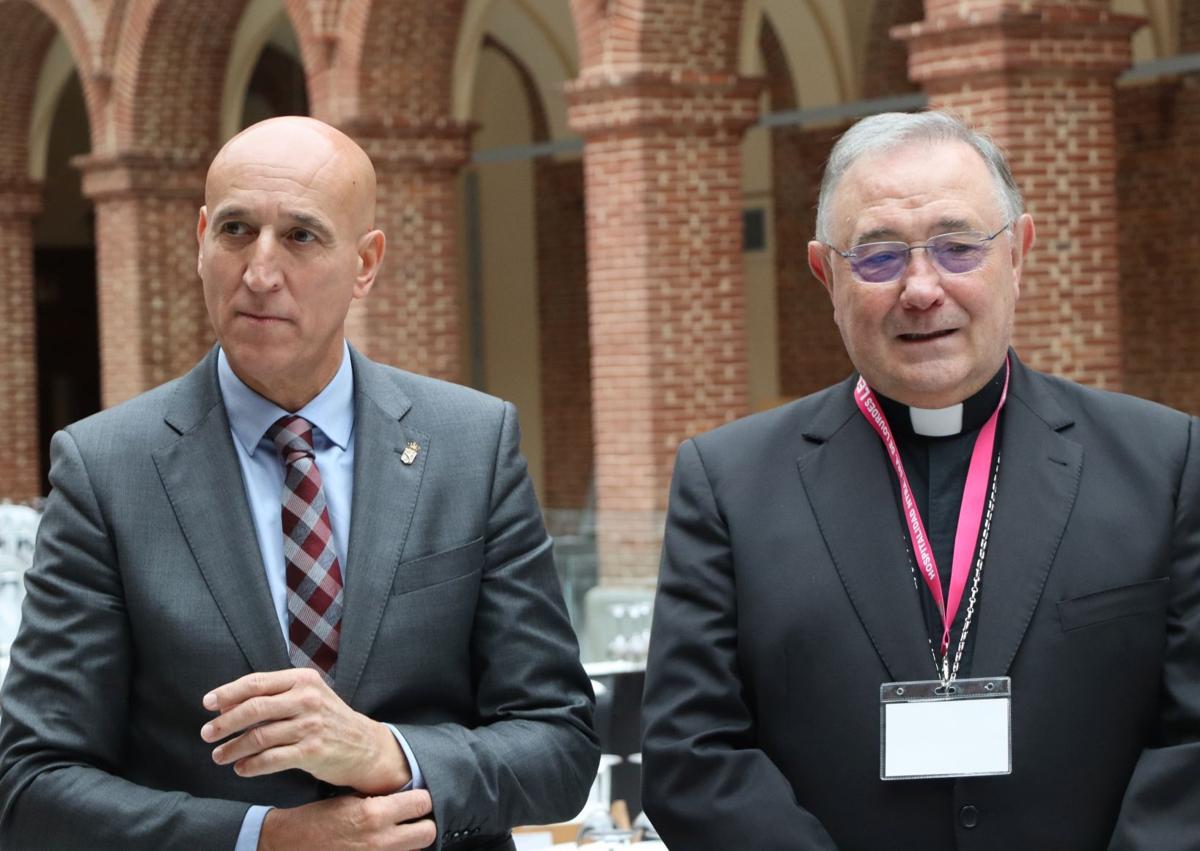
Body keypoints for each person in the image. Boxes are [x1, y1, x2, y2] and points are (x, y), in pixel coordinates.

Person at [0, 116, 598, 851]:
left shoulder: (470, 445)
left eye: (301, 236)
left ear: (366, 262)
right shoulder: (106, 469)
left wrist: (390, 754)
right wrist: (265, 838)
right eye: (236, 230)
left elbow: (561, 745)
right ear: (200, 239)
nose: (259, 270)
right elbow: (33, 783)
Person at [640, 110, 1200, 849]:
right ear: (825, 272)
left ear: (1018, 253)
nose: (921, 287)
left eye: (958, 246)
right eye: (877, 257)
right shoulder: (728, 483)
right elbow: (692, 757)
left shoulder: (1163, 462)